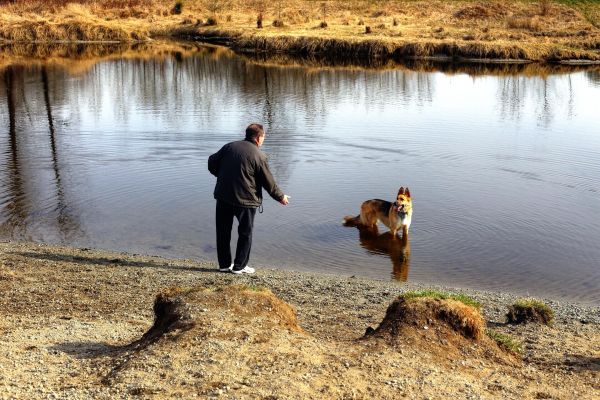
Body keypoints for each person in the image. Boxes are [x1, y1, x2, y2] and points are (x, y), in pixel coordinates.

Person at [208, 123, 290, 274]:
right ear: (259, 137)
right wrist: (281, 197)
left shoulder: (229, 147)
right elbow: (268, 182)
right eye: (264, 137)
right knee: (245, 233)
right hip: (245, 201)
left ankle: (224, 265)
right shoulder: (259, 155)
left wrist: (221, 175)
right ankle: (239, 266)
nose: (263, 140)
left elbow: (211, 162)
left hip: (223, 197)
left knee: (223, 232)